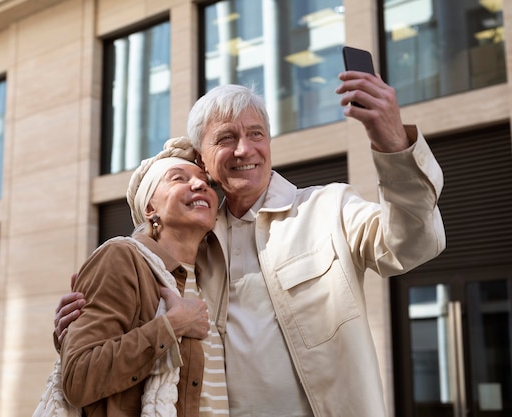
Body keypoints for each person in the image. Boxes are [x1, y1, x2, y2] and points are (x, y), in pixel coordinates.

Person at [55, 71, 446, 417]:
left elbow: (412, 244)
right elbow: (122, 344)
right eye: (226, 138)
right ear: (203, 161)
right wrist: (76, 332)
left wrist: (395, 145)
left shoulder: (329, 209)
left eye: (255, 134)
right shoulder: (191, 246)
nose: (245, 149)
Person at [59, 137, 229, 417]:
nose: (200, 185)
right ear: (150, 209)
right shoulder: (123, 258)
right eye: (178, 179)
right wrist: (172, 326)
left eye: (205, 181)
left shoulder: (212, 277)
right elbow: (78, 379)